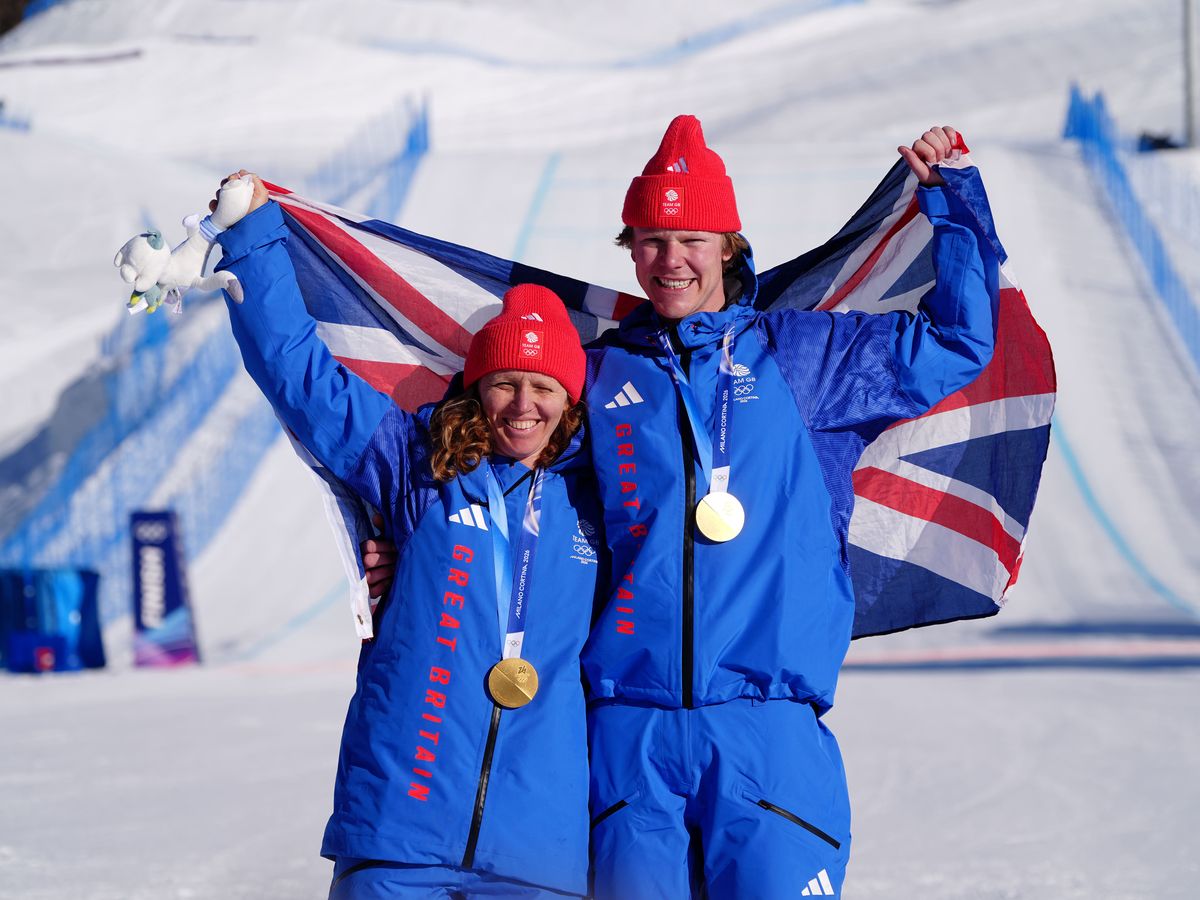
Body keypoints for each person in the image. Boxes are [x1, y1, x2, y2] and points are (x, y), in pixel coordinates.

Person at [362, 119, 1000, 897]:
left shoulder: (804, 358)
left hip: (766, 726)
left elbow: (959, 343)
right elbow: (501, 466)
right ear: (630, 248)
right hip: (629, 736)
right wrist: (415, 545)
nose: (672, 261)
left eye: (691, 238)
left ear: (728, 244)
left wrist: (955, 202)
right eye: (652, 240)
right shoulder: (595, 379)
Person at [201, 174, 603, 899]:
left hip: (536, 852)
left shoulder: (601, 502)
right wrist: (256, 241)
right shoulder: (416, 464)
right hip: (399, 828)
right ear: (476, 388)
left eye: (544, 387)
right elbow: (301, 377)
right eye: (506, 382)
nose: (523, 405)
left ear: (570, 399)